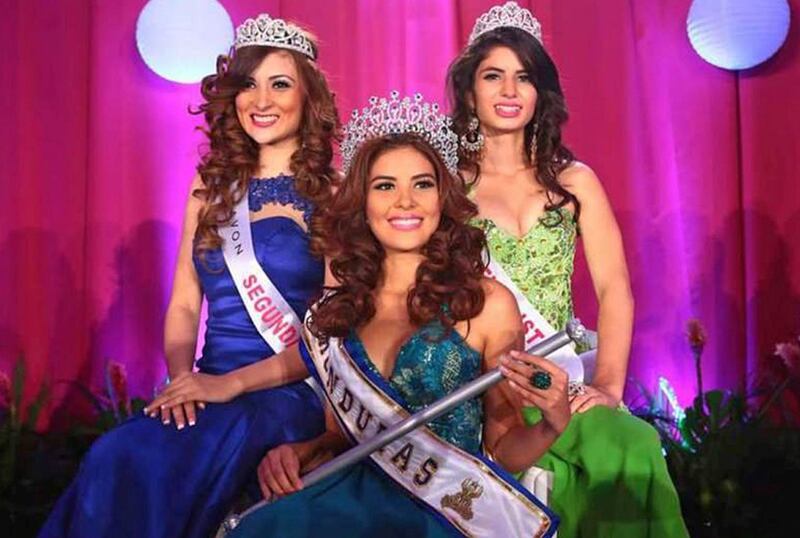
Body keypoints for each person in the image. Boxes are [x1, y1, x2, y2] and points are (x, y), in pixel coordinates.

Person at [147, 92, 571, 537]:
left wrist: (551, 423)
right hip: (349, 499)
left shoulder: (486, 304)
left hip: (438, 515)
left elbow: (503, 450)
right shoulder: (339, 311)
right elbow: (344, 439)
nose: (405, 201)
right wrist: (302, 452)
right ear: (363, 204)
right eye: (385, 186)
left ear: (443, 198)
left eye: (422, 184)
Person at [39, 13, 339, 538]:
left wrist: (228, 385)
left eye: (280, 84)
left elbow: (333, 334)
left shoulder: (334, 195)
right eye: (248, 84)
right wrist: (183, 379)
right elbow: (183, 303)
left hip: (286, 389)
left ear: (308, 96)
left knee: (190, 455)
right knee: (114, 453)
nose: (261, 100)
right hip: (206, 379)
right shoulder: (210, 187)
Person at [446, 2, 688, 536]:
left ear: (541, 92)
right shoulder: (444, 188)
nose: (509, 90)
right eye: (493, 76)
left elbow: (614, 287)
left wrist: (607, 385)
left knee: (632, 444)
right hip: (484, 384)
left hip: (560, 375)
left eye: (524, 77)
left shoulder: (573, 181)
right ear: (469, 91)